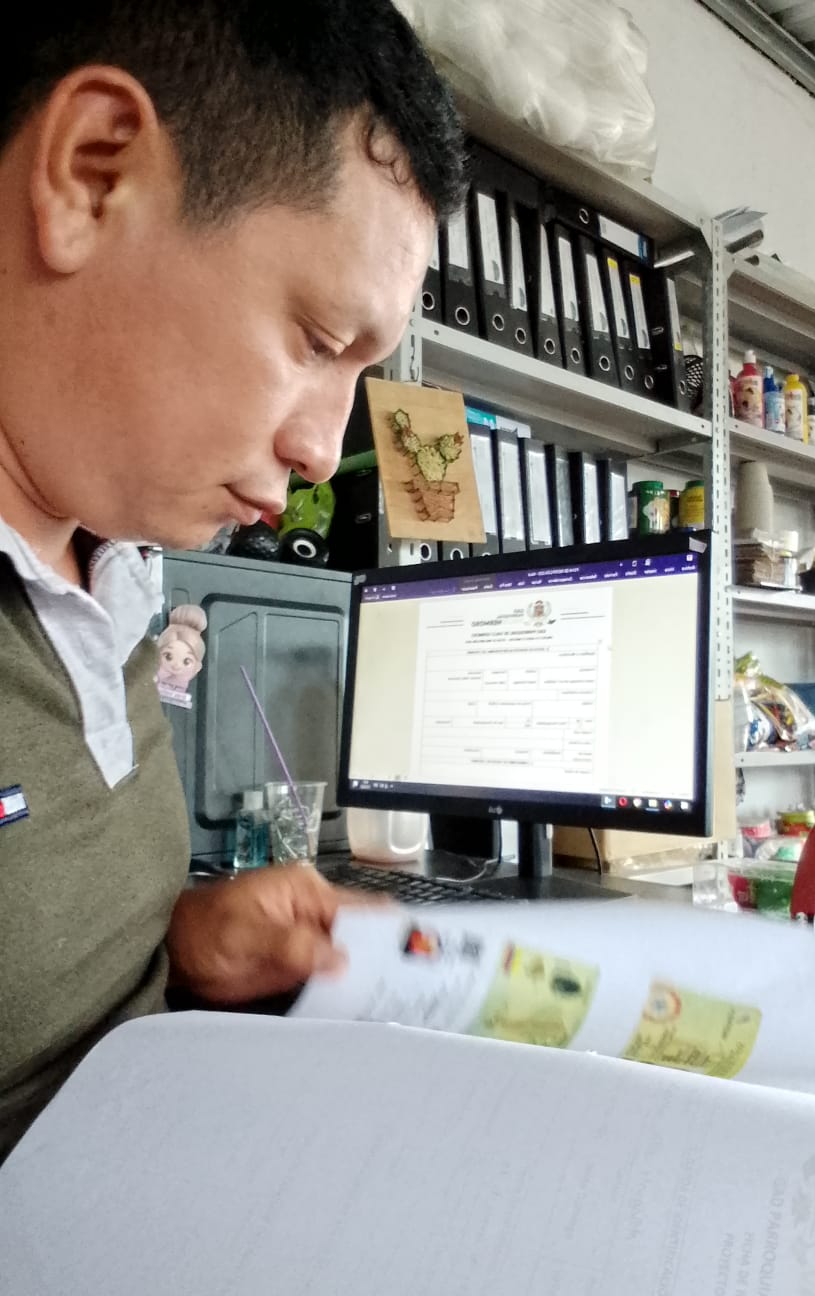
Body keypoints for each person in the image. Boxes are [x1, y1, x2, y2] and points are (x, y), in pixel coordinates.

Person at [0, 0, 466, 1161]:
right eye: (318, 341)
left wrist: (185, 948)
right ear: (92, 173)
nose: (324, 453)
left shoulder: (117, 570)